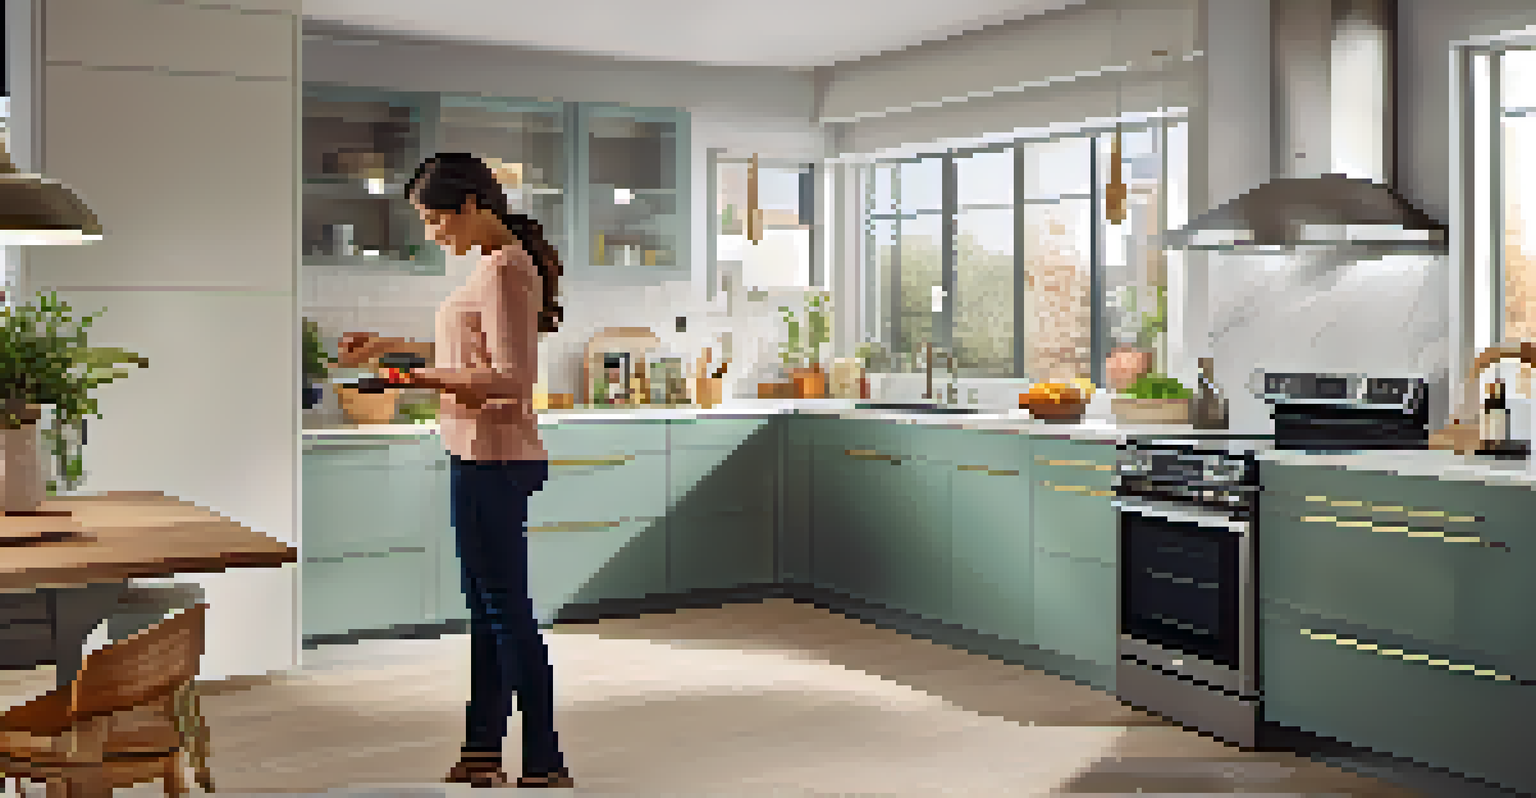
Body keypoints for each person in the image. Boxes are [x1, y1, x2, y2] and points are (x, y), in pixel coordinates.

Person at [335, 152, 571, 789]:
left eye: (436, 219)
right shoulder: (496, 266)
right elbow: (468, 352)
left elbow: (510, 380)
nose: (433, 232)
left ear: (470, 205)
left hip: (495, 457)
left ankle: (545, 760)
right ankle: (482, 752)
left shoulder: (506, 269)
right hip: (479, 453)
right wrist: (390, 349)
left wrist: (411, 378)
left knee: (505, 613)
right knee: (489, 612)